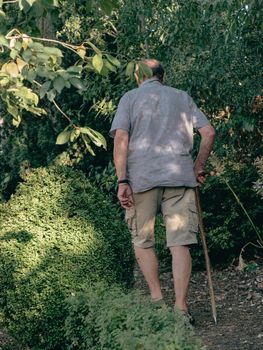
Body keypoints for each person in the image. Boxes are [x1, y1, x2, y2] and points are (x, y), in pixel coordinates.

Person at [110, 59, 215, 321]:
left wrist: (122, 180)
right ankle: (181, 308)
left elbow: (121, 138)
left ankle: (158, 303)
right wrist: (198, 167)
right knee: (180, 243)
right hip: (179, 177)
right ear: (162, 77)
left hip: (141, 179)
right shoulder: (181, 97)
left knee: (143, 241)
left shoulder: (130, 98)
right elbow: (209, 132)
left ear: (138, 77)